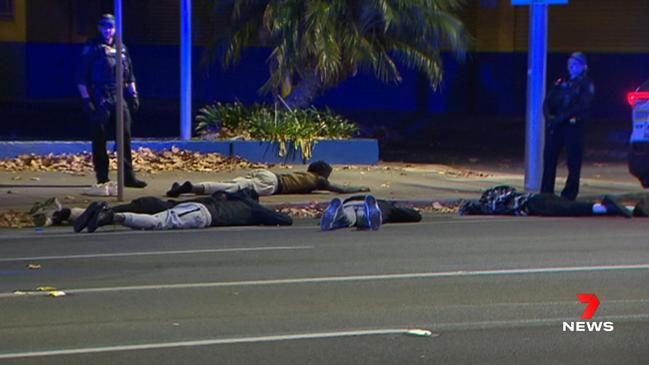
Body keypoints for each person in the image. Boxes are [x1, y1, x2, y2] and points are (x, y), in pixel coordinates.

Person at [77, 14, 146, 188]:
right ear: (100, 28)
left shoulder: (121, 47)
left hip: (118, 95)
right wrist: (87, 100)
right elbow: (81, 77)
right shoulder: (92, 47)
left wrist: (134, 94)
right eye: (106, 27)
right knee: (100, 137)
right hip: (100, 96)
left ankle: (127, 176)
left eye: (112, 27)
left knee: (125, 135)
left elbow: (129, 74)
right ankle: (102, 177)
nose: (109, 31)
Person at [72, 189, 292, 233]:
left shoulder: (226, 197)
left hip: (194, 208)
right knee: (159, 223)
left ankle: (102, 214)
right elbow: (284, 220)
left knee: (158, 216)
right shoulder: (252, 208)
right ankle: (110, 216)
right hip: (201, 215)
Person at [540, 52, 595, 200]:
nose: (571, 68)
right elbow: (548, 101)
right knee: (550, 157)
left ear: (584, 67)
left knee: (573, 160)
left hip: (573, 125)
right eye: (570, 65)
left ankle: (570, 193)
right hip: (557, 125)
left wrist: (563, 117)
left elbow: (583, 105)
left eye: (575, 65)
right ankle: (546, 191)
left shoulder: (586, 84)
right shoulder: (561, 82)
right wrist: (550, 116)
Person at [166, 161, 370, 198]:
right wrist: (361, 188)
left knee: (232, 183)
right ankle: (191, 188)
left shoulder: (304, 175)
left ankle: (191, 186)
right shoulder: (318, 180)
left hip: (268, 174)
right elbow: (341, 189)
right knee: (231, 189)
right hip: (272, 185)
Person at [459, 185, 636, 218]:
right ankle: (611, 208)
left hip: (535, 203)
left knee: (570, 209)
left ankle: (607, 208)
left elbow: (507, 196)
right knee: (569, 207)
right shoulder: (493, 201)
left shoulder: (492, 200)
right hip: (537, 201)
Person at [320, 195, 422, 231]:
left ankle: (340, 213)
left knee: (347, 217)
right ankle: (367, 216)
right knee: (363, 217)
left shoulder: (351, 199)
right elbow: (413, 216)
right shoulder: (386, 205)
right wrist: (414, 213)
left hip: (349, 203)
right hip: (376, 205)